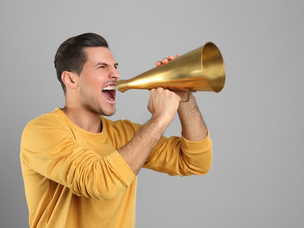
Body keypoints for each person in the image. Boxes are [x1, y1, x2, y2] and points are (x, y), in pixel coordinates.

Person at [20, 32, 212, 228]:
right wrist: (160, 119)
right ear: (70, 80)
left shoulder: (126, 134)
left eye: (115, 67)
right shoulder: (41, 131)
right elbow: (100, 183)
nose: (116, 74)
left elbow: (195, 162)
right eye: (102, 67)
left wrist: (185, 97)